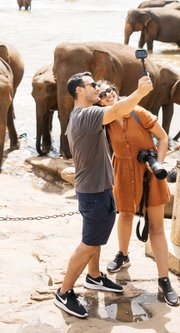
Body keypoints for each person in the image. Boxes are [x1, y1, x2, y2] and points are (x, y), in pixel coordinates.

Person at [53, 72, 153, 318]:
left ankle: (94, 277)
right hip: (94, 194)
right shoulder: (86, 115)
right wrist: (139, 93)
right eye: (91, 85)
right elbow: (118, 109)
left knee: (94, 239)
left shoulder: (82, 116)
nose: (97, 88)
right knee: (89, 244)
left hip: (98, 190)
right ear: (79, 91)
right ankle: (64, 292)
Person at [96, 80, 179, 306]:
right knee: (125, 215)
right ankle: (123, 255)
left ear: (116, 90)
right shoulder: (105, 119)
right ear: (100, 101)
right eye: (102, 95)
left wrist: (158, 164)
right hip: (121, 170)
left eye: (110, 90)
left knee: (156, 228)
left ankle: (164, 280)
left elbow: (163, 138)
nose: (108, 95)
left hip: (150, 171)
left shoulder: (138, 111)